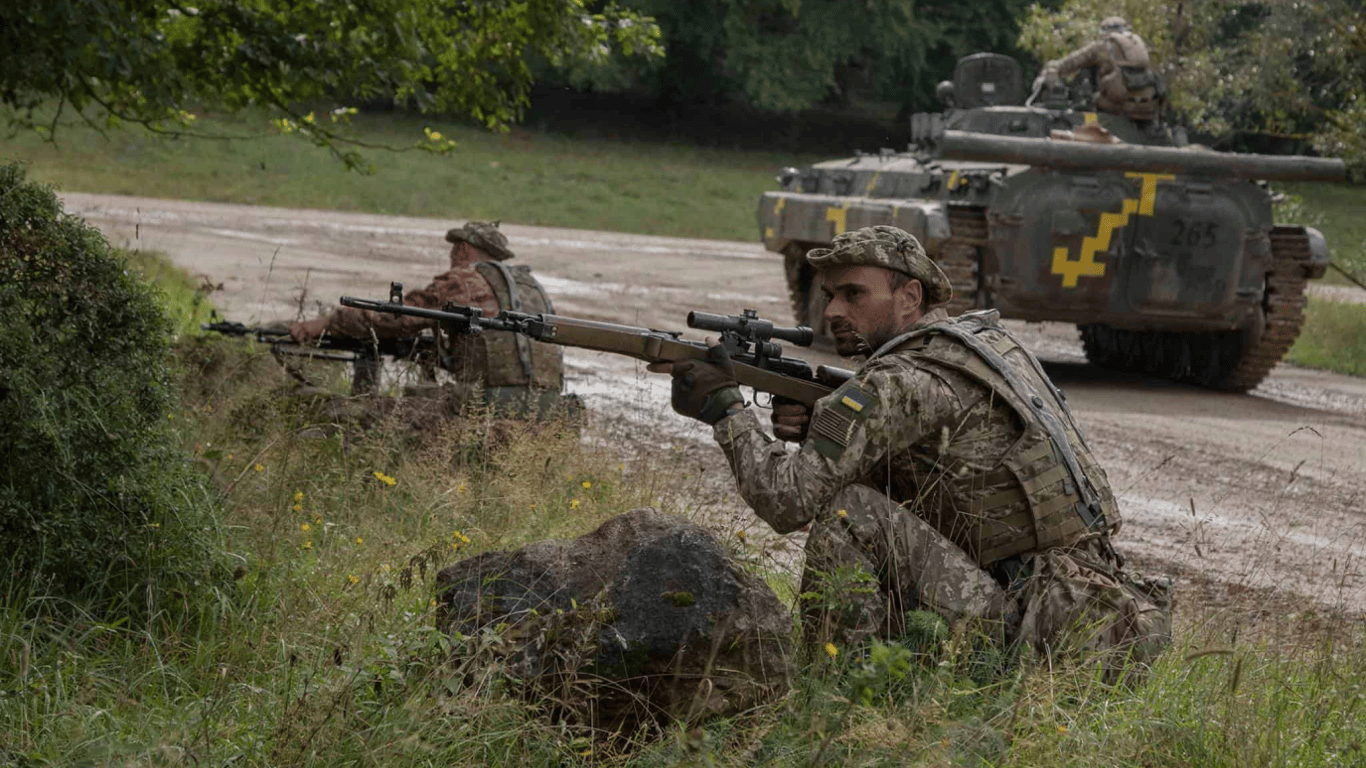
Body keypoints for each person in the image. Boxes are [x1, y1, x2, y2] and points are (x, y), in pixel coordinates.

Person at [652, 225, 1171, 679]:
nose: (832, 310)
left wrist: (725, 410)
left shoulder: (898, 380)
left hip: (1036, 623)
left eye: (854, 294)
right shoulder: (980, 347)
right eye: (829, 295)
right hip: (1093, 610)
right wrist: (832, 429)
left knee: (847, 510)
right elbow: (953, 469)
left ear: (909, 296)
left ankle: (834, 694)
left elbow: (785, 501)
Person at [291, 221, 567, 412]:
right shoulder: (530, 288)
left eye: (454, 248)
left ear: (462, 249)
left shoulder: (464, 280)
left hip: (487, 406)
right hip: (546, 407)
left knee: (356, 416)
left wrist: (325, 324)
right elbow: (500, 349)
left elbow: (390, 320)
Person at [1035, 16, 1164, 124]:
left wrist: (1051, 69)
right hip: (1148, 108)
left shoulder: (1103, 46)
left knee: (1089, 100)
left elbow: (1071, 63)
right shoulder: (1140, 47)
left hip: (1116, 105)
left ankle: (1091, 127)